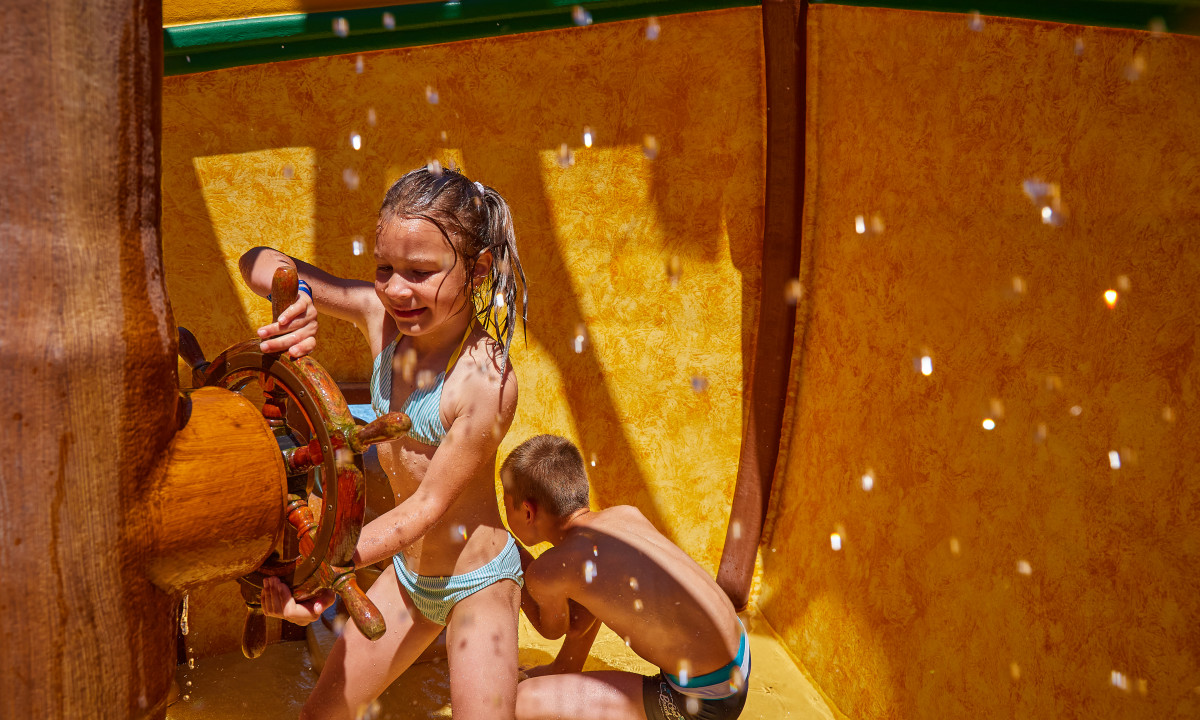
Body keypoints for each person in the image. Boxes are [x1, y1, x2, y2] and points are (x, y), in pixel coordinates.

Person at [240, 166, 528, 720]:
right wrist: (295, 291)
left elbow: (425, 507)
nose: (397, 289)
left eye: (421, 272)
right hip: (409, 576)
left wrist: (317, 570)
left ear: (478, 269)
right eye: (384, 268)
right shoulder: (381, 318)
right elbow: (254, 260)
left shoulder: (485, 378)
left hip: (476, 582)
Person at [500, 434, 751, 720]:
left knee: (518, 703)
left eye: (506, 505)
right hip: (736, 662)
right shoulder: (624, 515)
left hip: (703, 701)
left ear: (528, 511)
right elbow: (586, 610)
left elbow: (552, 629)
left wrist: (511, 553)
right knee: (594, 582)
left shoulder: (548, 571)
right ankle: (565, 667)